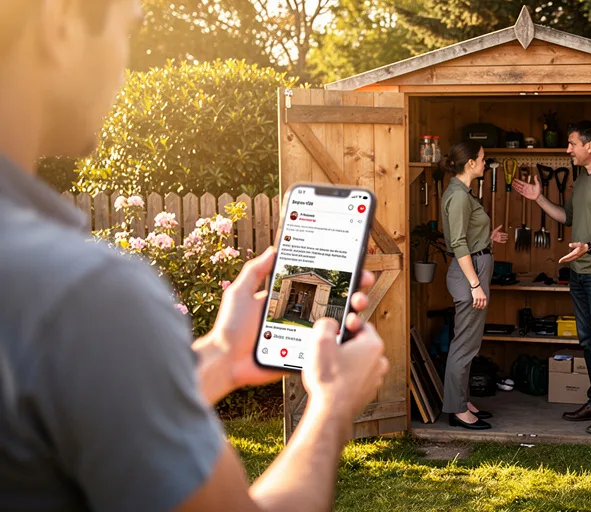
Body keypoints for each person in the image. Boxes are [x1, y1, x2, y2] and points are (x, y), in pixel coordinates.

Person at [0, 1, 390, 510]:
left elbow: (89, 406)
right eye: (128, 32)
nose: (126, 65)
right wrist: (333, 406)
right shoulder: (83, 294)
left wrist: (224, 356)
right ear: (59, 25)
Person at [513, 121, 591, 435]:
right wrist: (538, 199)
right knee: (589, 343)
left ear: (589, 146)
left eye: (572, 144)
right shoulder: (581, 179)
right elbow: (568, 217)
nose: (568, 150)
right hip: (580, 273)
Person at [439, 141, 508, 430]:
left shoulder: (463, 194)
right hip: (470, 274)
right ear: (469, 163)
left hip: (475, 266)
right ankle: (456, 410)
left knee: (469, 342)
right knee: (464, 345)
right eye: (482, 158)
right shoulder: (458, 196)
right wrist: (475, 284)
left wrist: (486, 237)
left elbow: (466, 235)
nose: (484, 162)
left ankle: (462, 400)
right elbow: (457, 243)